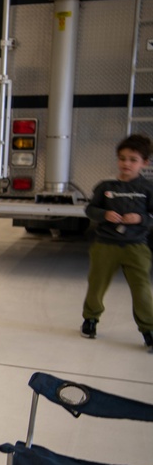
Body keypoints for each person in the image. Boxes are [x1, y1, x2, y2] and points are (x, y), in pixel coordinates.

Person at [80, 134, 153, 351]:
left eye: (133, 160)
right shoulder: (106, 186)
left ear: (144, 163)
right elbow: (90, 209)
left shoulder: (148, 188)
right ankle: (91, 319)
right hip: (105, 245)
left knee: (142, 290)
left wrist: (141, 218)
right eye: (122, 158)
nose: (126, 164)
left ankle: (148, 329)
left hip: (136, 247)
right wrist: (104, 215)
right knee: (97, 285)